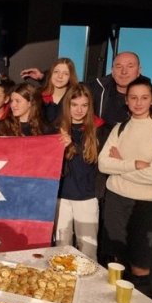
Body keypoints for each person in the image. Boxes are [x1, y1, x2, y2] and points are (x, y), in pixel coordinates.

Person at [98, 76, 152, 297]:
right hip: (116, 201)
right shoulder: (119, 128)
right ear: (127, 100)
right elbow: (103, 164)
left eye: (144, 97)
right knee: (116, 262)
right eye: (133, 98)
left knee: (141, 264)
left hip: (146, 206)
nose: (138, 102)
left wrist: (120, 164)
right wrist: (135, 164)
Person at [55, 84, 108, 259]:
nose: (79, 110)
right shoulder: (56, 128)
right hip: (61, 196)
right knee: (61, 249)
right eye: (74, 105)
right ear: (67, 105)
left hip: (87, 197)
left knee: (88, 250)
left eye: (84, 105)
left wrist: (72, 144)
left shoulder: (99, 129)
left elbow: (92, 161)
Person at [86, 51, 152, 127]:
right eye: (119, 67)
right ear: (112, 71)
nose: (124, 72)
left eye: (130, 66)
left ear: (139, 70)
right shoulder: (94, 91)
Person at [39, 58, 79, 125]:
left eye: (65, 73)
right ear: (51, 74)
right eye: (56, 72)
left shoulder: (76, 98)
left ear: (70, 77)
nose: (60, 76)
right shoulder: (39, 97)